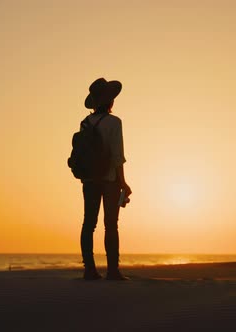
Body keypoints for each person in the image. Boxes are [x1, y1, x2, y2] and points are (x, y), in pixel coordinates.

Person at [80, 78, 132, 281]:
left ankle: (89, 269)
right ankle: (112, 270)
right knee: (111, 225)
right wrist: (123, 182)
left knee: (88, 223)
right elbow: (117, 155)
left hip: (89, 179)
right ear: (110, 101)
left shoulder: (85, 123)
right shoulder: (114, 122)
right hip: (109, 179)